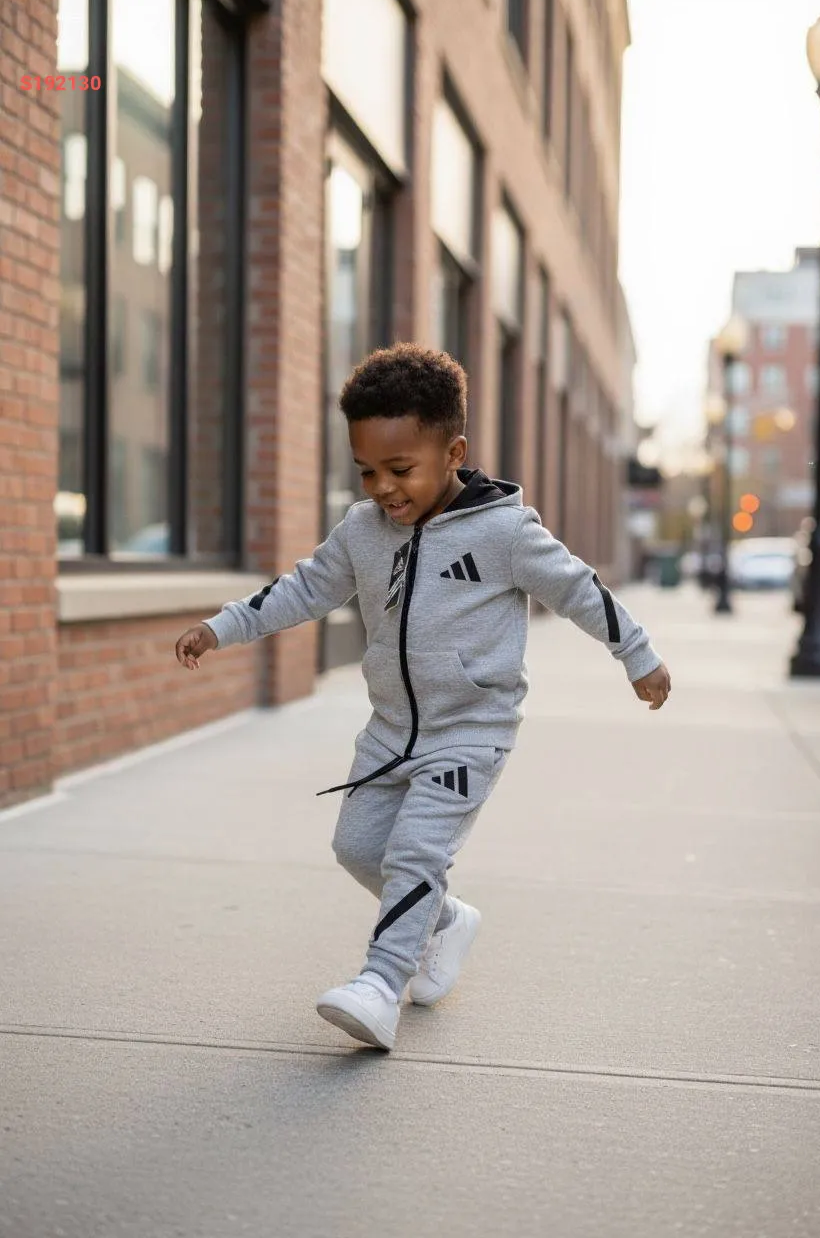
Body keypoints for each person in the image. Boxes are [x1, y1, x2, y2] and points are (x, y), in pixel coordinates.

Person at [175, 343, 671, 1052]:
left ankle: (380, 985)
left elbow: (578, 589)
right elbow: (304, 589)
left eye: (400, 469)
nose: (383, 487)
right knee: (357, 848)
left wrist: (638, 654)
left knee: (414, 854)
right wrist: (222, 627)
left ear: (453, 453)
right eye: (367, 470)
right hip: (389, 731)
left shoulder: (504, 533)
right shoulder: (362, 530)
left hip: (470, 731)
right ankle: (445, 921)